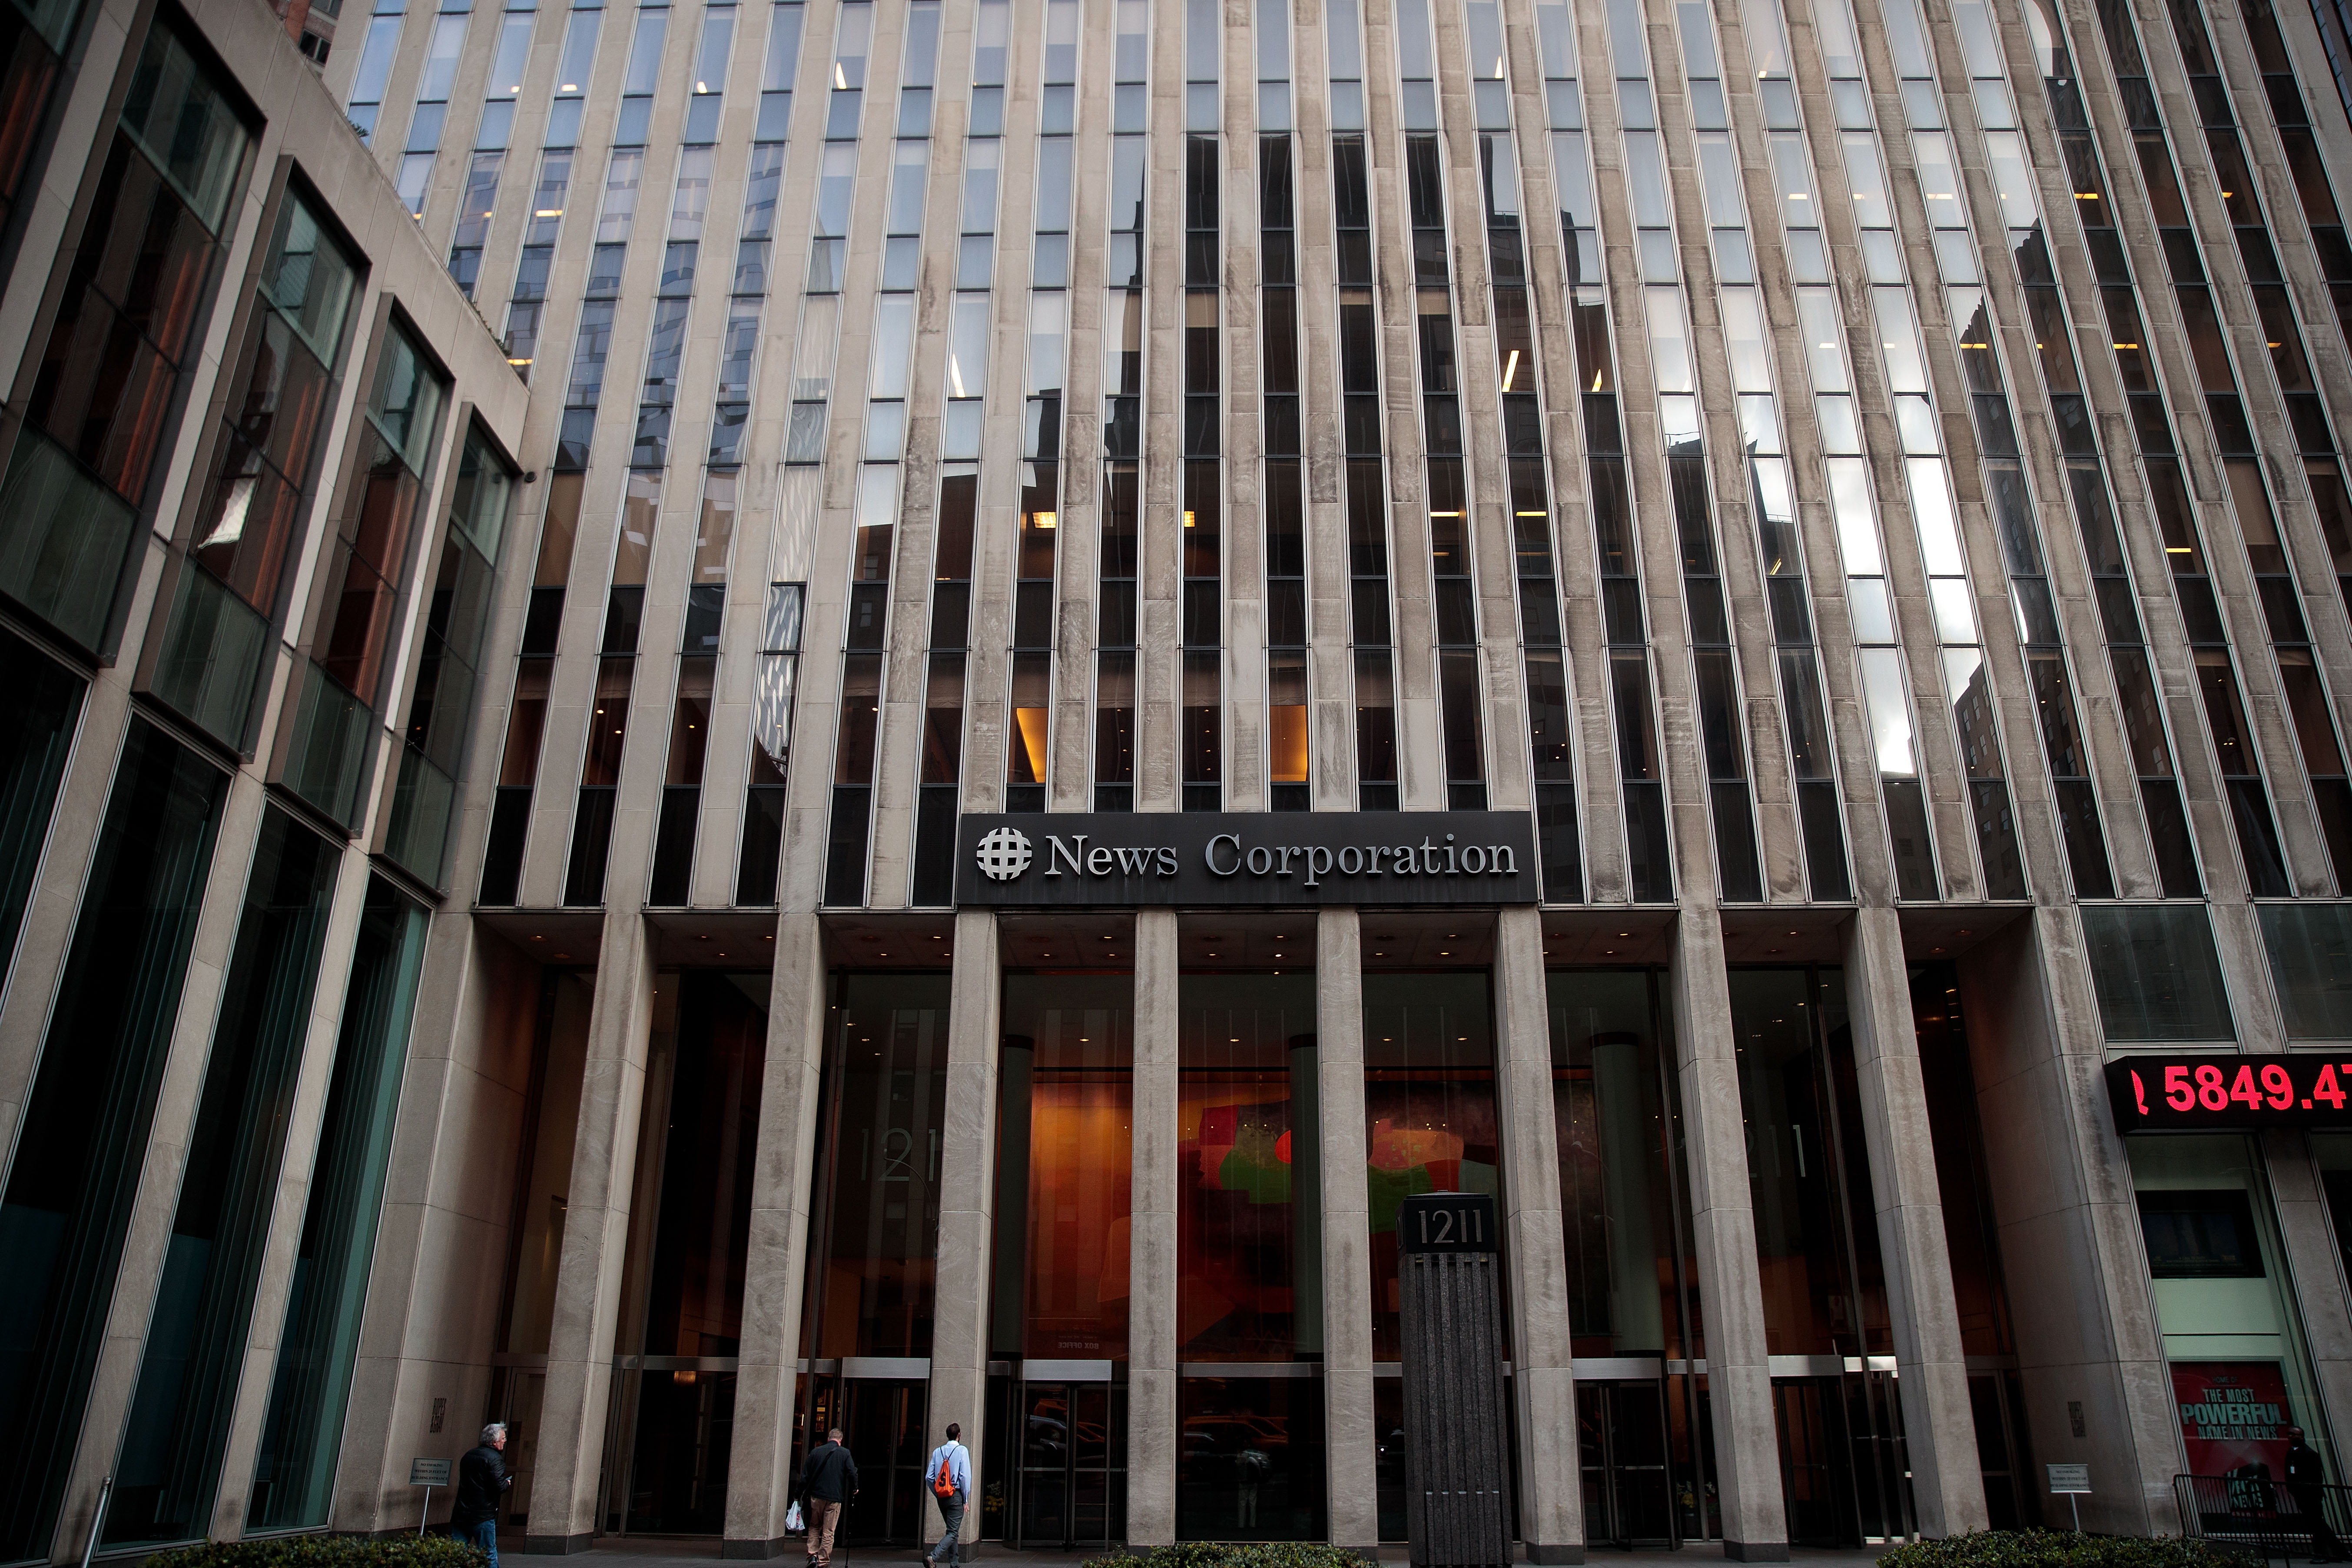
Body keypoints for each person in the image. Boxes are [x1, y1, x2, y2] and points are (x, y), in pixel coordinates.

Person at [451, 1423, 511, 1568]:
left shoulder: (469, 1455)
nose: (505, 1441)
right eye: (503, 1438)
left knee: (456, 1553)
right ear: (494, 1442)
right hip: (483, 1515)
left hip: (461, 1513)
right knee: (488, 1554)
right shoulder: (495, 1459)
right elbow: (499, 1486)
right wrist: (507, 1483)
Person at [798, 1426, 858, 1568]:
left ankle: (812, 1555)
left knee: (814, 1526)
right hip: (834, 1498)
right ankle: (823, 1561)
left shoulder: (816, 1452)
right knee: (829, 1531)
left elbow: (805, 1476)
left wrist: (798, 1494)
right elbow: (852, 1472)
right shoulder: (845, 1453)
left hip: (816, 1496)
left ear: (829, 1439)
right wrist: (855, 1488)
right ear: (840, 1441)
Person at [2287, 1427, 2345, 1562]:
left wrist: (2308, 1491)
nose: (2290, 1437)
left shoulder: (2309, 1454)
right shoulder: (2291, 1453)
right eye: (2289, 1434)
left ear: (2301, 1436)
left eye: (2294, 1434)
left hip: (2311, 1496)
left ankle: (2322, 1554)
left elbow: (2317, 1477)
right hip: (2301, 1495)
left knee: (2317, 1525)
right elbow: (2290, 1474)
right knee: (2318, 1524)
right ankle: (2340, 1552)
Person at [926, 1422, 973, 1567]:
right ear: (959, 1435)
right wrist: (965, 1498)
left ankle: (955, 1563)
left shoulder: (937, 1452)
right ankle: (933, 1557)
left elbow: (929, 1477)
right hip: (956, 1495)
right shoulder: (962, 1450)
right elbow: (965, 1477)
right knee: (952, 1532)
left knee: (953, 1531)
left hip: (942, 1498)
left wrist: (937, 1493)